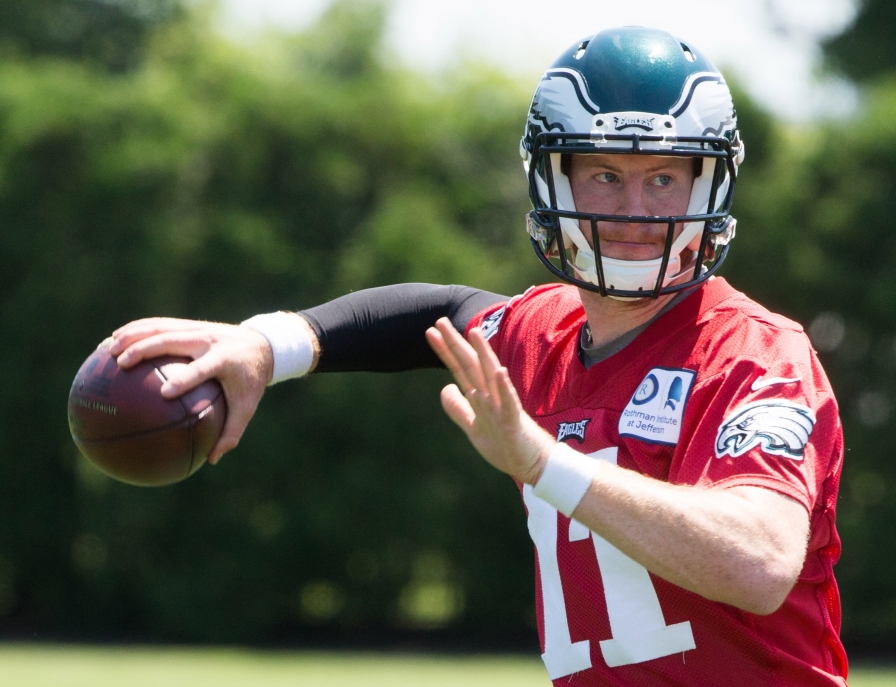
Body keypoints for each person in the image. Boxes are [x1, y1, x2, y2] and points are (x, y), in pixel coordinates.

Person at [109, 27, 847, 686]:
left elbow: (758, 561)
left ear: (705, 185)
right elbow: (429, 313)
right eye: (605, 175)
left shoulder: (753, 351)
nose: (634, 210)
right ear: (554, 181)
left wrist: (543, 462)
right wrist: (266, 345)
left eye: (662, 177)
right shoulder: (544, 333)